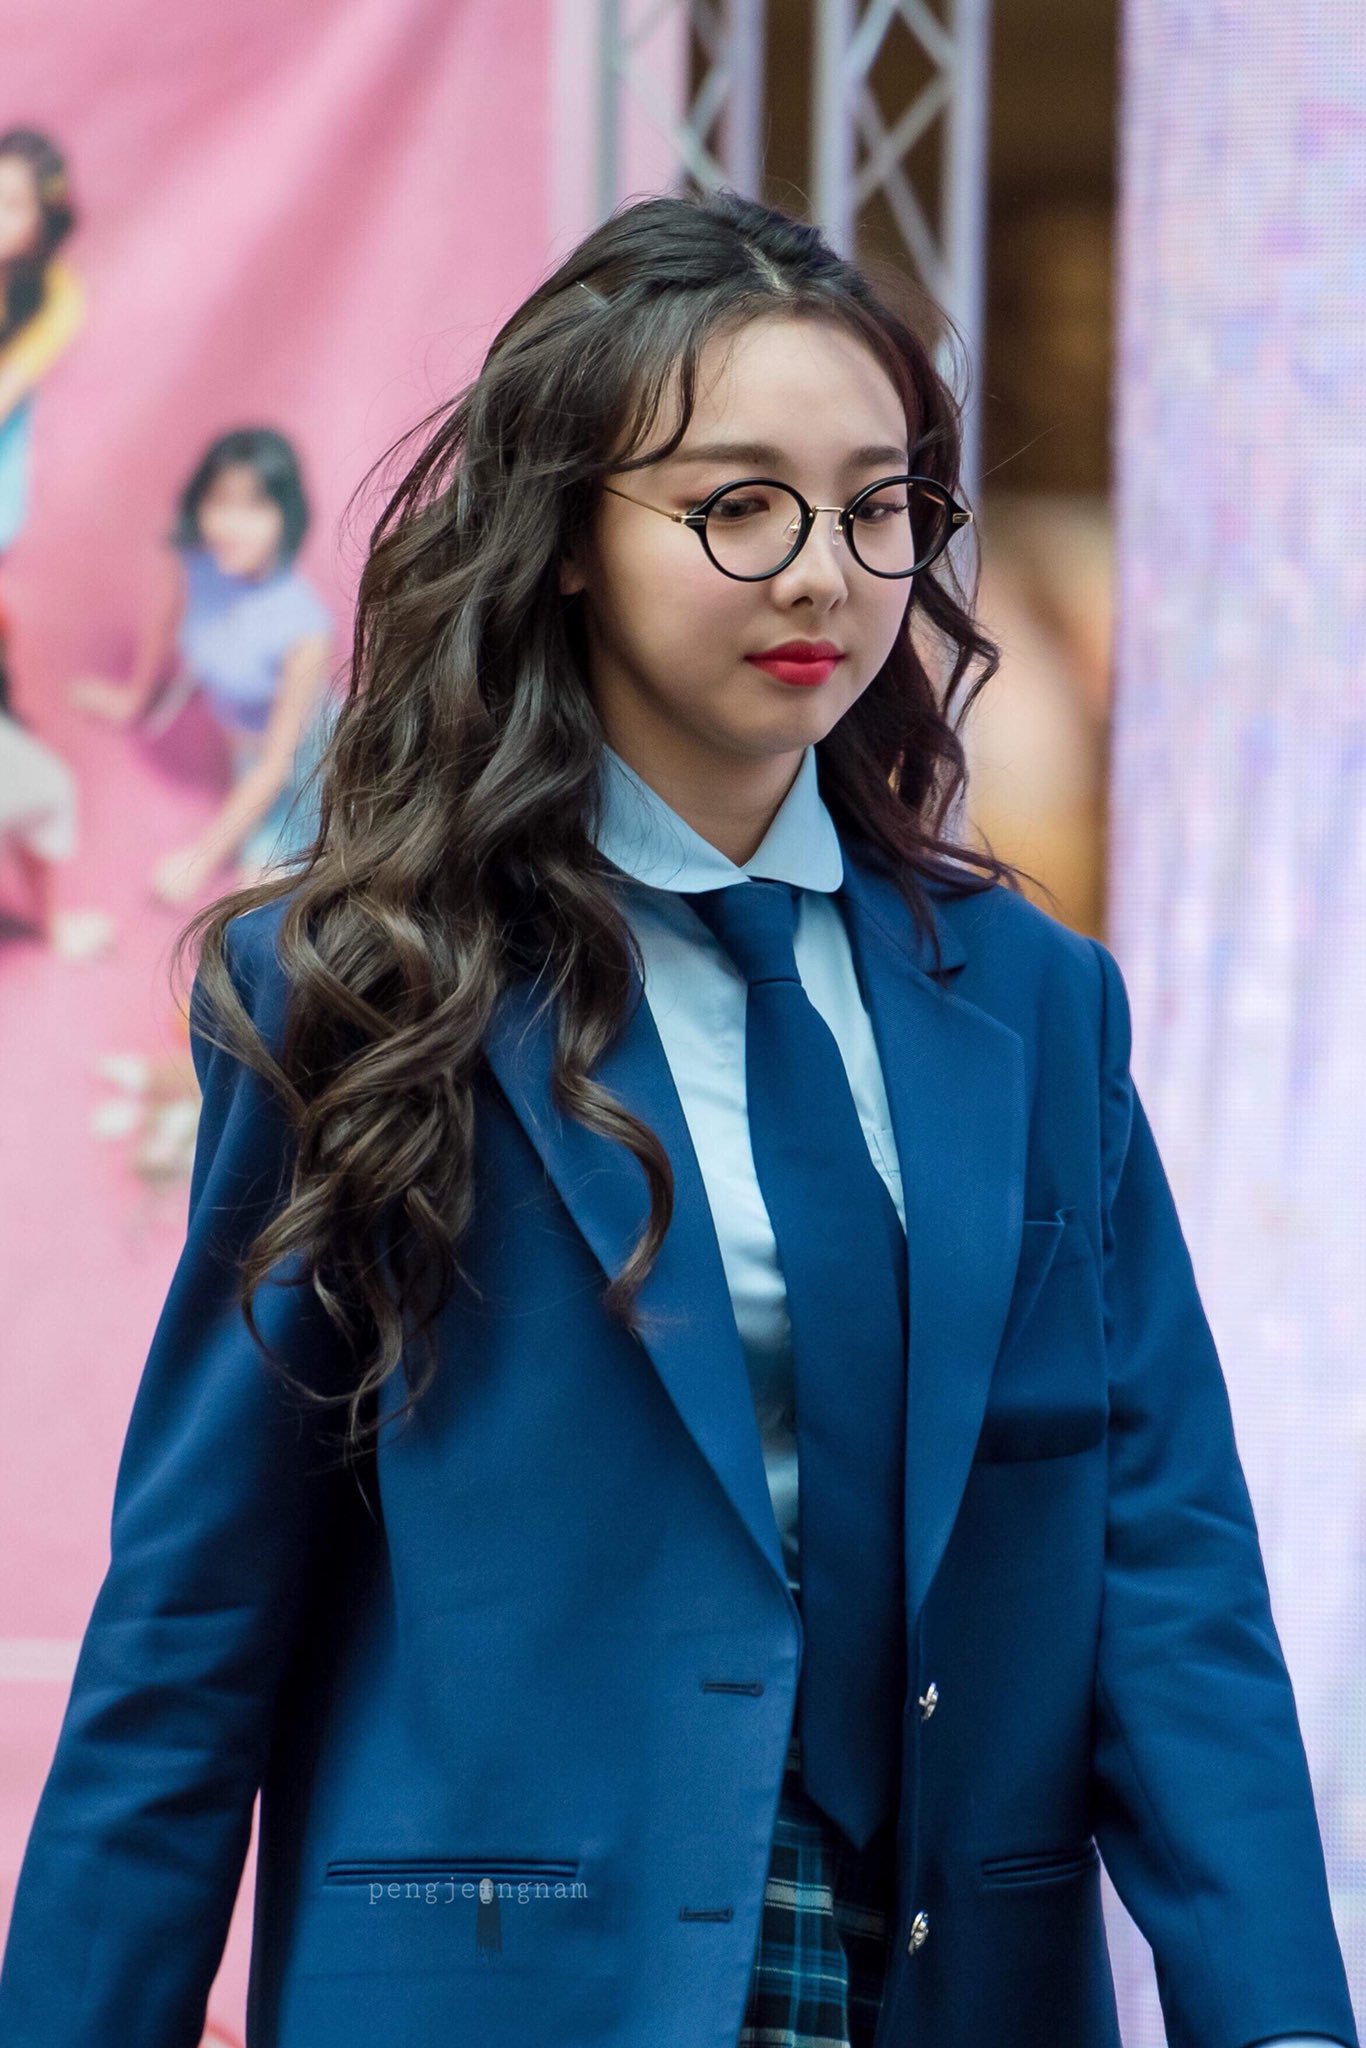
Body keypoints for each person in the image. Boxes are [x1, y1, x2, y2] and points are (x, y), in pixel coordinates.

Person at [0, 189, 1354, 2048]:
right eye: (740, 506)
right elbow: (196, 1614)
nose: (823, 576)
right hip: (508, 1991)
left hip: (945, 1982)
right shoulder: (362, 988)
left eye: (878, 507)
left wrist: (1277, 2015)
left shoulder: (1036, 1005)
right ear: (568, 534)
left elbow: (1161, 1551)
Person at [71, 425, 335, 904]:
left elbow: (277, 764)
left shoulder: (306, 629)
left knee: (260, 903)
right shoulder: (194, 560)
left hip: (305, 765)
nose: (231, 524)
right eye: (220, 501)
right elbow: (164, 622)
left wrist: (199, 857)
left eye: (255, 506)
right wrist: (134, 699)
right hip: (244, 754)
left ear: (287, 513)